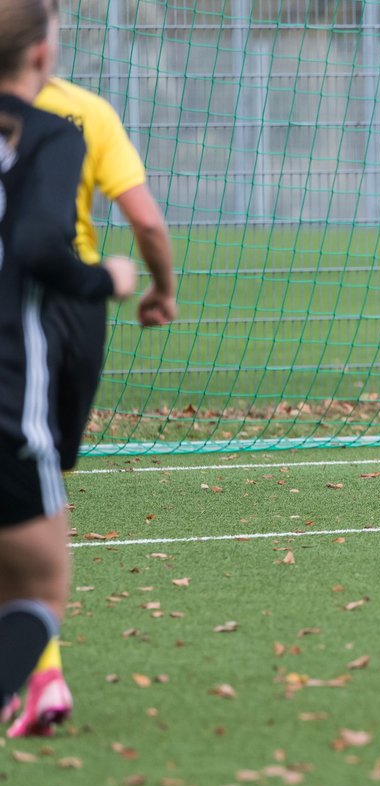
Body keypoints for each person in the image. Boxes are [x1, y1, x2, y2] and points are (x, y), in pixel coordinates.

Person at [3, 69, 178, 739]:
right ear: (42, 43)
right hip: (73, 310)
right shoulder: (83, 112)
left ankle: (39, 669)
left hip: (24, 307)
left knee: (22, 493)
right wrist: (158, 289)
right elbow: (145, 219)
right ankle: (39, 665)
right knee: (38, 483)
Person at [0, 0, 136, 729]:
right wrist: (108, 280)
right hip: (13, 383)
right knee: (40, 591)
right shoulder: (55, 132)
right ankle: (41, 681)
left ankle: (41, 684)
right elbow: (43, 248)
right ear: (43, 57)